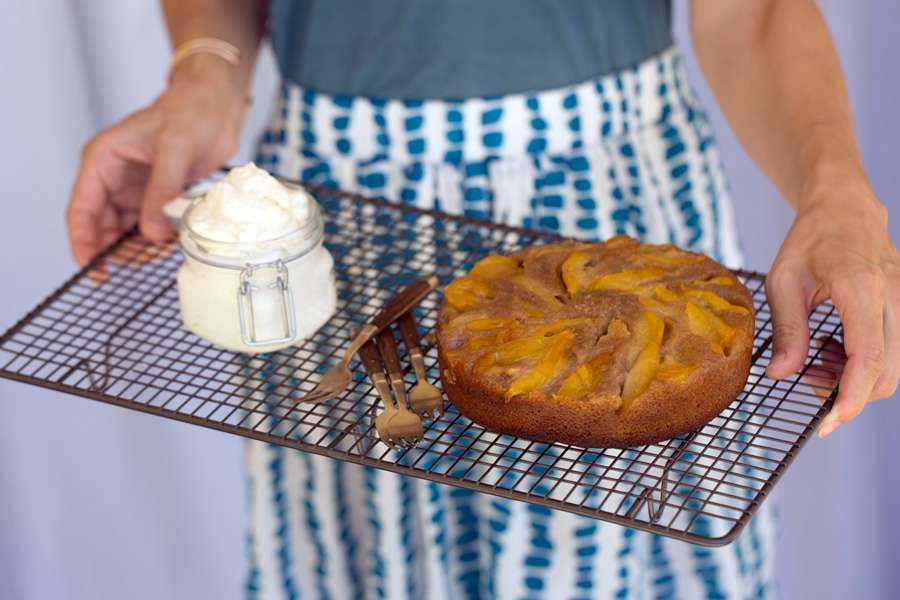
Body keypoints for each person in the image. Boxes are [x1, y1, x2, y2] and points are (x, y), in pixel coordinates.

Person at [67, 0, 899, 598]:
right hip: (342, 202)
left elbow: (750, 13)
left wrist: (836, 188)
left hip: (610, 197)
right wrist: (203, 74)